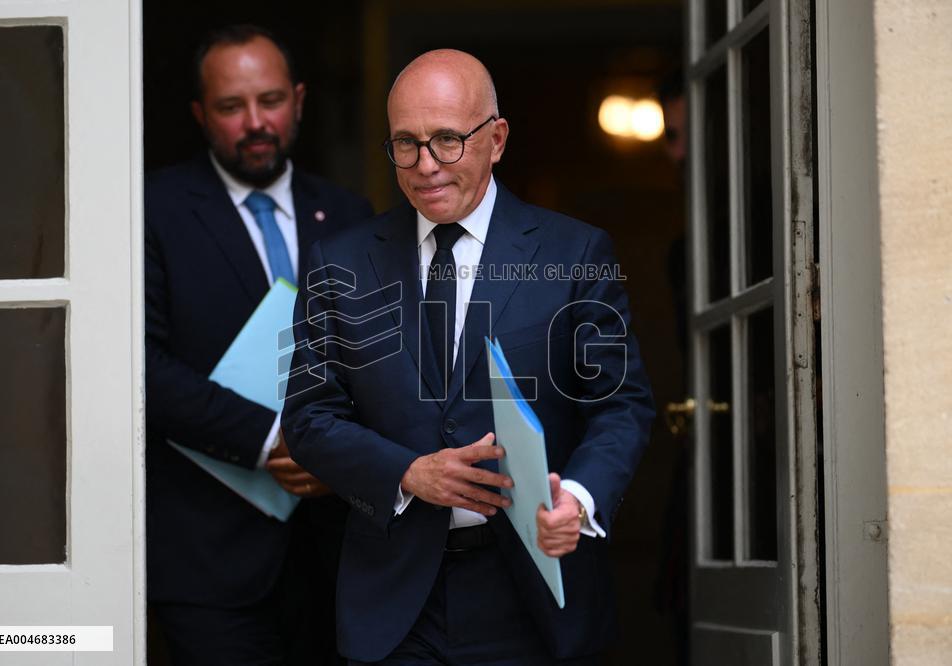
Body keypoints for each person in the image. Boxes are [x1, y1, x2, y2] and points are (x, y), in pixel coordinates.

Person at [283, 49, 654, 664]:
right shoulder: (340, 262)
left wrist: (579, 498)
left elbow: (621, 406)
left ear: (496, 139)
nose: (425, 165)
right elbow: (308, 418)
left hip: (535, 596)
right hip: (395, 600)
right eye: (406, 143)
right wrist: (408, 473)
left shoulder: (575, 252)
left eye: (448, 140)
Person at [145, 24, 372, 665]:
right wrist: (272, 438)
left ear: (298, 100)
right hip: (207, 556)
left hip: (339, 556)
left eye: (270, 100)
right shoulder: (151, 209)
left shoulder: (351, 214)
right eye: (230, 106)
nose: (255, 123)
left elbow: (383, 360)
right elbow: (138, 365)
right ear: (199, 114)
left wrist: (341, 447)